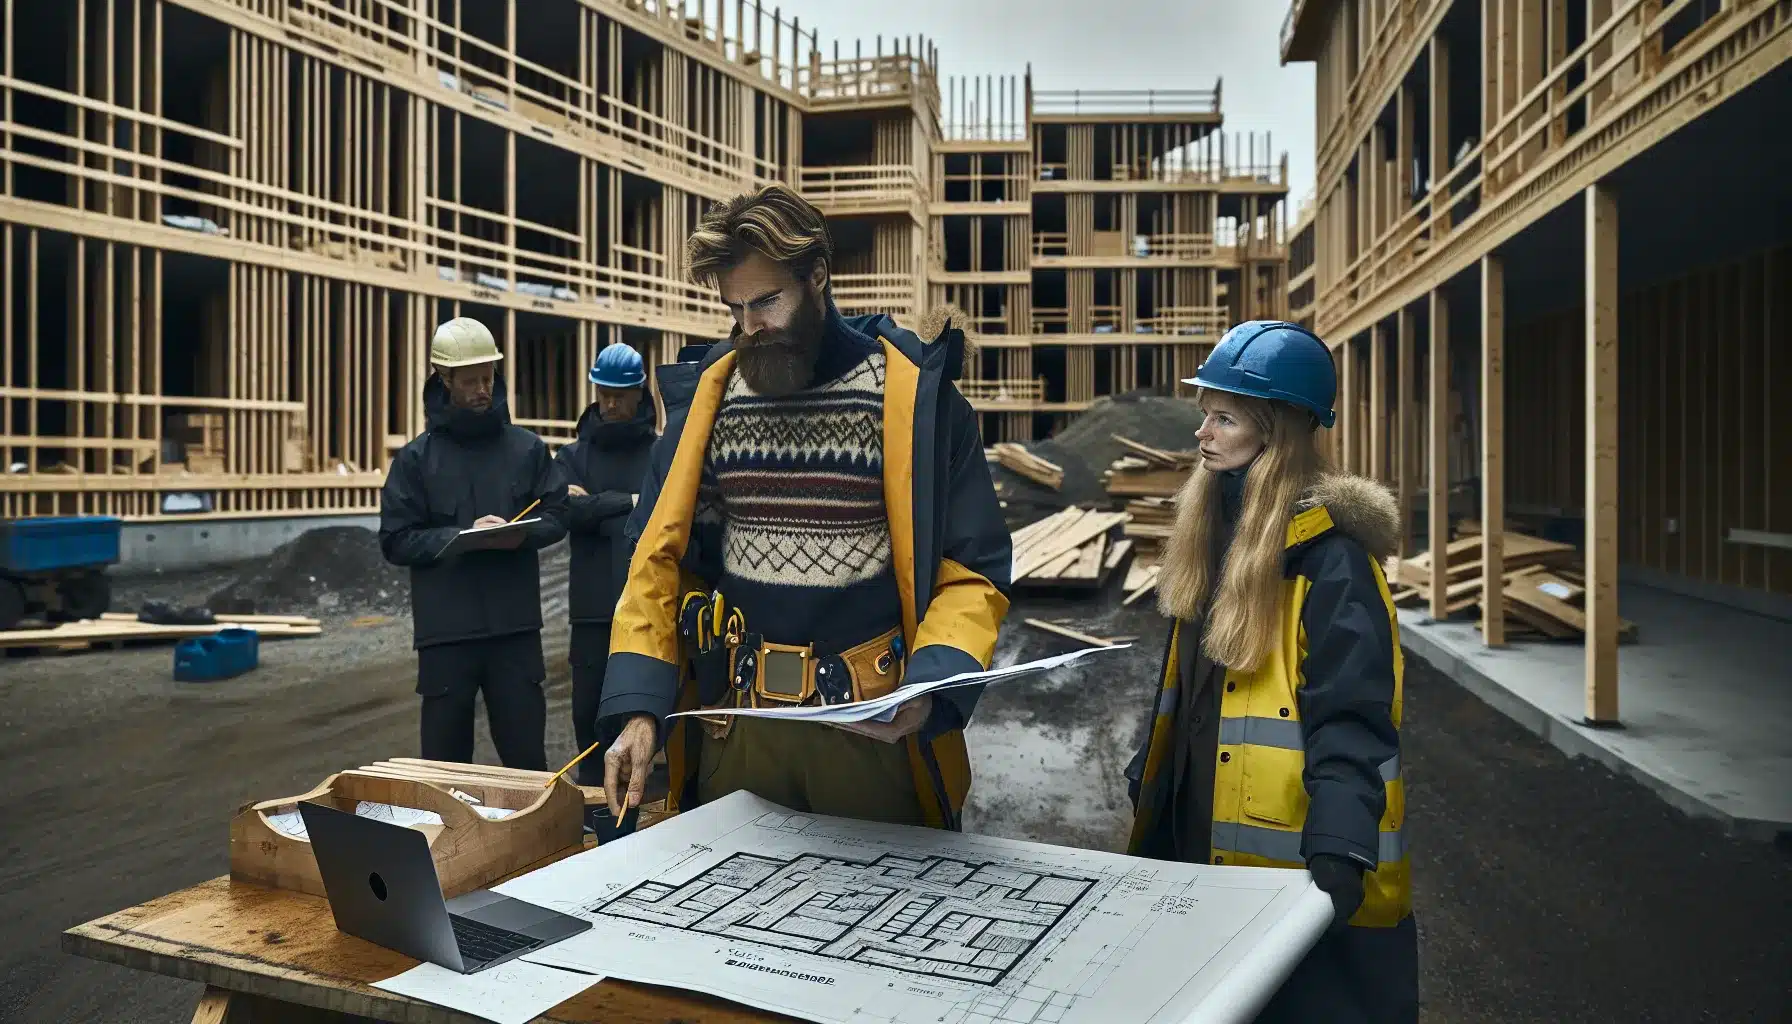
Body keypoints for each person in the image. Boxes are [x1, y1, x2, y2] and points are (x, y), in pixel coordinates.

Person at [597, 183, 1011, 829]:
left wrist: (931, 691)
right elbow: (656, 566)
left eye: (766, 301)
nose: (748, 327)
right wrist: (640, 708)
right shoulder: (709, 402)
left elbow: (970, 568)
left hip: (874, 737)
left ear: (818, 274)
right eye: (734, 308)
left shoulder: (915, 402)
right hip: (738, 733)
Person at [1123, 320, 1418, 1023]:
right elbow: (1190, 688)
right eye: (1206, 416)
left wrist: (1342, 853)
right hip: (1198, 848)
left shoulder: (1335, 565)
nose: (1204, 434)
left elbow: (1352, 719)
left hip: (1289, 873)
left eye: (1223, 418)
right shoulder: (1213, 538)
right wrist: (1153, 766)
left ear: (1277, 432)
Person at [378, 316, 568, 770]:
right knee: (444, 770)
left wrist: (520, 534)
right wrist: (457, 540)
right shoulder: (416, 460)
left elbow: (559, 512)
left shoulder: (527, 450)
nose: (483, 389)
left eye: (488, 377)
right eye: (470, 380)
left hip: (515, 633)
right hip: (446, 637)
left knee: (527, 764)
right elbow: (395, 540)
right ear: (443, 380)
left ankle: (536, 841)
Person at [555, 343, 659, 786]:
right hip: (593, 611)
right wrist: (630, 502)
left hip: (647, 603)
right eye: (603, 393)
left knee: (642, 710)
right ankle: (594, 801)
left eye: (620, 394)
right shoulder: (574, 457)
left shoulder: (659, 453)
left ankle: (648, 802)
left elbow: (662, 511)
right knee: (587, 716)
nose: (610, 403)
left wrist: (597, 505)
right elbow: (565, 511)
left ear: (639, 394)